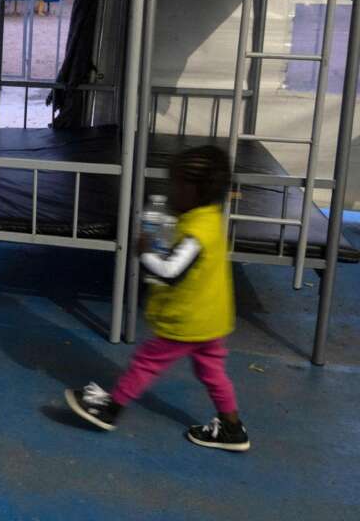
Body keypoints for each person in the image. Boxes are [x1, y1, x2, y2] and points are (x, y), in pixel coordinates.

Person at [65, 145, 250, 452]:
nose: (171, 192)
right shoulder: (209, 217)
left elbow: (170, 271)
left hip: (187, 321)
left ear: (193, 190)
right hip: (211, 318)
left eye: (176, 185)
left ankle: (110, 409)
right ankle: (232, 427)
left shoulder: (197, 232)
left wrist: (145, 251)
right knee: (212, 371)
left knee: (147, 362)